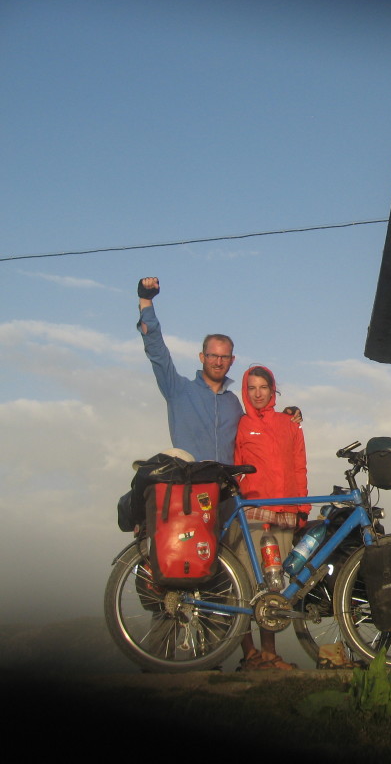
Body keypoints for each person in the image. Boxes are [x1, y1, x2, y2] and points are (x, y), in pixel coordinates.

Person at [136, 277, 301, 461]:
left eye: (224, 357)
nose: (218, 362)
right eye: (212, 355)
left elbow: (258, 427)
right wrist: (146, 301)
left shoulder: (234, 404)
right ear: (201, 357)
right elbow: (157, 351)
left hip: (227, 487)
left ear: (232, 360)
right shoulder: (178, 390)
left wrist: (288, 416)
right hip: (190, 484)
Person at [232, 364, 309, 671]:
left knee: (272, 587)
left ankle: (269, 654)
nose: (258, 393)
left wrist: (302, 507)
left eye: (263, 387)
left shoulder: (290, 422)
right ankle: (249, 654)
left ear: (273, 389)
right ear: (245, 392)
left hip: (285, 514)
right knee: (246, 586)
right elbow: (235, 467)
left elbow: (299, 466)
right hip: (253, 514)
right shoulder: (241, 425)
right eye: (251, 388)